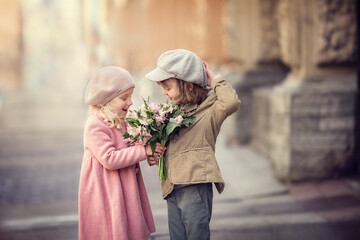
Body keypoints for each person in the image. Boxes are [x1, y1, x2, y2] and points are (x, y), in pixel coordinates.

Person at [145, 49, 241, 240]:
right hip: (172, 187)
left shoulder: (210, 109)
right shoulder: (172, 112)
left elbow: (231, 102)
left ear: (188, 85)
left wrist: (214, 79)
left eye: (167, 87)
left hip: (194, 185)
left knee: (196, 235)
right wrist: (155, 155)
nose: (163, 92)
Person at [79, 66, 165, 240]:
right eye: (123, 98)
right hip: (106, 189)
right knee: (110, 228)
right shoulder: (95, 125)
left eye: (131, 97)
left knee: (128, 225)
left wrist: (149, 151)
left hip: (124, 185)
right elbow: (109, 159)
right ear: (106, 100)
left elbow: (131, 145)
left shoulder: (120, 120)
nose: (130, 102)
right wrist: (143, 150)